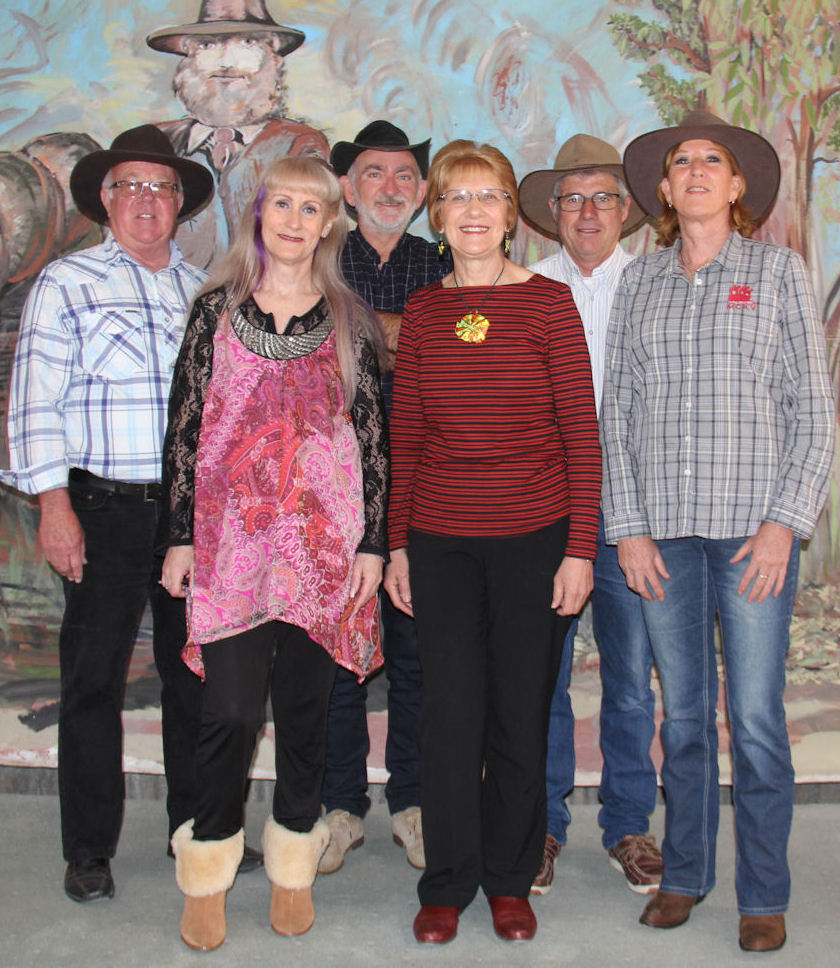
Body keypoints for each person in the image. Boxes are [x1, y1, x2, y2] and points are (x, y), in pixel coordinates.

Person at [601, 110, 834, 953]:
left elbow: (814, 412)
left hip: (752, 540)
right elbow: (617, 414)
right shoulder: (640, 282)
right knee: (686, 719)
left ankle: (763, 892)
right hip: (662, 536)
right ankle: (687, 875)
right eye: (681, 162)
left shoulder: (777, 272)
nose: (695, 170)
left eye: (712, 160)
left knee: (760, 720)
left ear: (737, 188)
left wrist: (784, 526)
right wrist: (628, 530)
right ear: (664, 191)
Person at [160, 155, 388, 951]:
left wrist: (372, 543)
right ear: (260, 214)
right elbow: (185, 426)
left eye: (310, 208)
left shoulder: (351, 319)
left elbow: (372, 436)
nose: (294, 219)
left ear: (328, 225)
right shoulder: (215, 310)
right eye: (281, 204)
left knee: (303, 713)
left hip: (324, 550)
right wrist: (178, 535)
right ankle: (209, 865)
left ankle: (293, 863)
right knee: (228, 711)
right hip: (231, 545)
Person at [385, 140, 601, 944]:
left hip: (535, 541)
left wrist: (580, 549)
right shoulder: (425, 312)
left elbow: (581, 435)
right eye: (456, 196)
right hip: (440, 542)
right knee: (448, 716)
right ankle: (447, 881)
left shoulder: (548, 304)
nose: (472, 210)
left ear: (511, 214)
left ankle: (510, 881)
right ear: (437, 216)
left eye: (489, 196)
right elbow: (408, 438)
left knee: (519, 711)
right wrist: (398, 547)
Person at [4, 126, 214, 902]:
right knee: (92, 680)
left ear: (180, 202)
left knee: (193, 677)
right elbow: (35, 401)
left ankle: (198, 836)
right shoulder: (67, 283)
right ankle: (89, 849)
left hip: (190, 516)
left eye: (161, 187)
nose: (146, 200)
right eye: (131, 186)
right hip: (102, 508)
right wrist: (54, 505)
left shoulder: (204, 291)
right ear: (105, 198)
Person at [518, 135, 662, 896]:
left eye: (602, 197)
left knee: (630, 679)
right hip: (545, 512)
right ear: (552, 211)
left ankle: (629, 825)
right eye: (573, 198)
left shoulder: (658, 283)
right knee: (541, 676)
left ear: (626, 210)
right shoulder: (526, 287)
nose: (587, 212)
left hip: (632, 514)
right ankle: (541, 825)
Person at [318, 120, 450, 875]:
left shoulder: (446, 261)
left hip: (428, 490)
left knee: (419, 655)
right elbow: (309, 350)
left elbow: (464, 349)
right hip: (332, 491)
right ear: (347, 187)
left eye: (404, 175)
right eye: (374, 173)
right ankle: (340, 807)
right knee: (337, 655)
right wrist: (406, 333)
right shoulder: (316, 257)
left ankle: (414, 804)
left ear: (423, 191)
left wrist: (360, 328)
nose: (390, 187)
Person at [147, 0, 329, 269]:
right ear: (188, 59)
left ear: (273, 58)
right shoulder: (156, 142)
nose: (225, 62)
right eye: (208, 46)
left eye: (246, 44)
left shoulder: (300, 143)